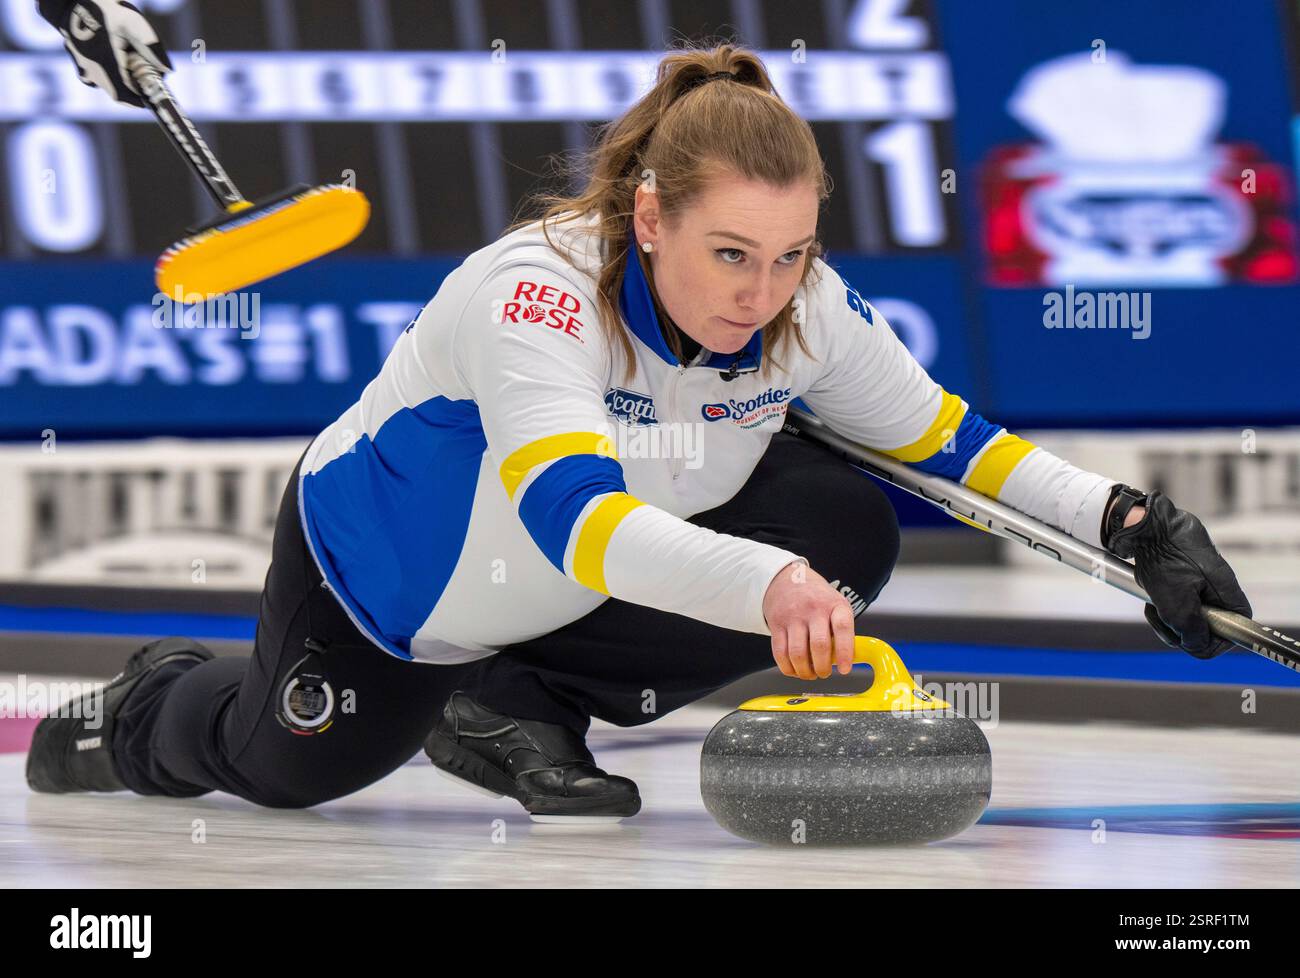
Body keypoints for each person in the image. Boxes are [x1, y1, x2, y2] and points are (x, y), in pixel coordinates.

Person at [27, 14, 1252, 820]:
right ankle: (152, 702)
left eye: (790, 257)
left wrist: (1131, 523)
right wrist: (770, 588)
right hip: (391, 585)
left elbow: (953, 444)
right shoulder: (534, 295)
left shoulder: (802, 308)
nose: (760, 294)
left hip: (573, 572)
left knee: (847, 520)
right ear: (651, 218)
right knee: (288, 766)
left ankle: (525, 701)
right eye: (730, 254)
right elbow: (573, 520)